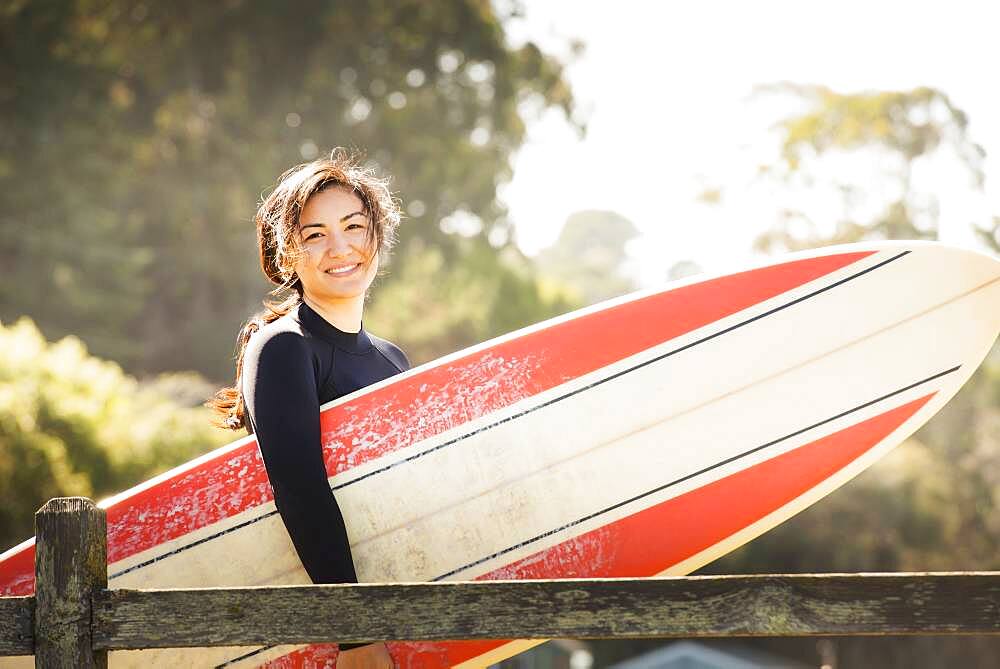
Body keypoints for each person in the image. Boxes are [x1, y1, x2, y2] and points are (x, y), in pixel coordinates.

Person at [210, 150, 407, 669]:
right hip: (344, 636)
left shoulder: (394, 360)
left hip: (401, 613)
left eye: (353, 226)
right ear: (286, 253)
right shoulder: (284, 348)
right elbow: (301, 492)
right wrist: (355, 638)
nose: (339, 247)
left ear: (377, 238)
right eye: (315, 234)